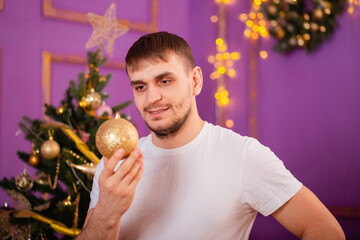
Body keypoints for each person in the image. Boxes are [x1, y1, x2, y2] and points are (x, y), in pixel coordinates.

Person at [76, 32, 345, 240]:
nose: (152, 98)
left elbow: (326, 230)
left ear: (195, 81)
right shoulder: (115, 166)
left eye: (165, 81)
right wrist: (107, 213)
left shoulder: (243, 156)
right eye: (140, 86)